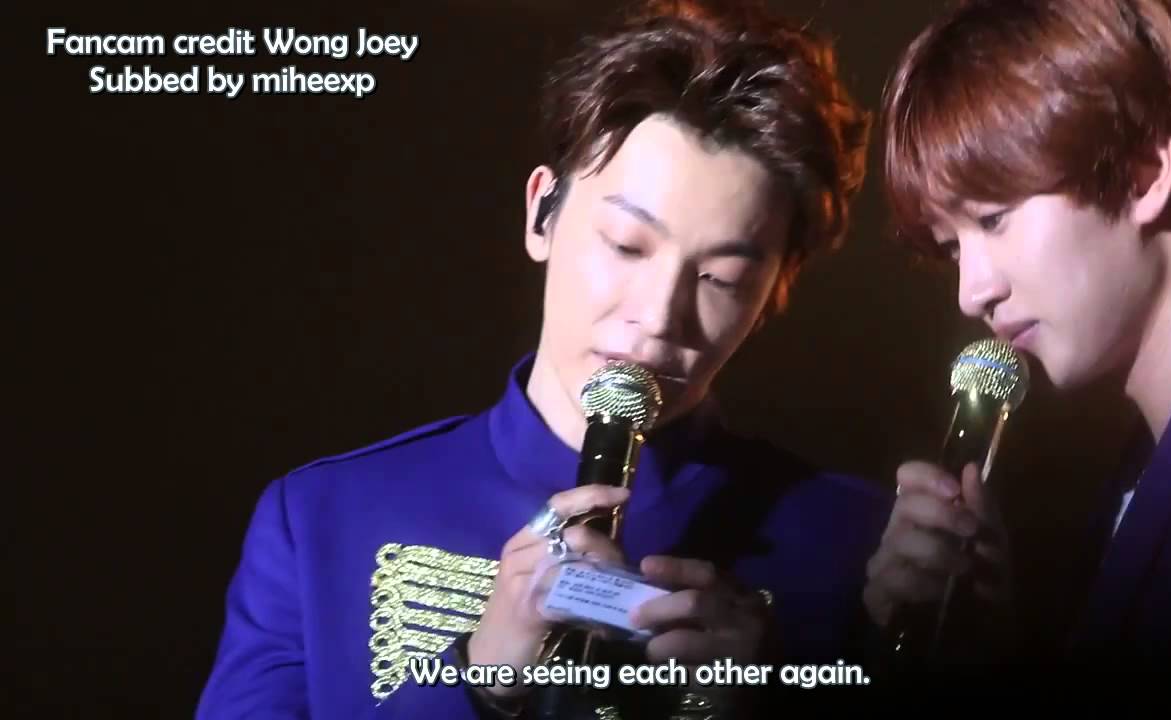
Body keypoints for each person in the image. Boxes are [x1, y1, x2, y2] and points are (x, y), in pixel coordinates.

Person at [197, 1, 890, 717]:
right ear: (541, 215)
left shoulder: (861, 545)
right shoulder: (324, 518)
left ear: (775, 291)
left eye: (722, 279)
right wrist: (481, 680)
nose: (657, 319)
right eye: (625, 245)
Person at [863, 0, 1171, 689]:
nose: (972, 292)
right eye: (952, 247)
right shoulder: (1142, 469)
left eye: (993, 218)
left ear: (1144, 173)